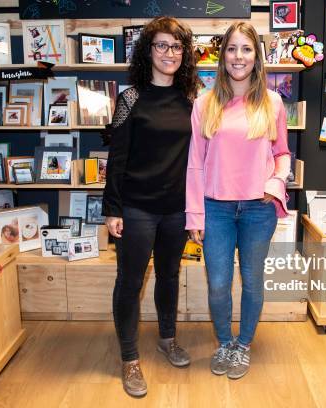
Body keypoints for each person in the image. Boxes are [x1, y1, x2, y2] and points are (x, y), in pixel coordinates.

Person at [186, 21, 291, 380]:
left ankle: (243, 345)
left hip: (258, 210)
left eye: (246, 49)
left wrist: (274, 184)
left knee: (252, 280)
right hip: (215, 209)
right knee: (217, 283)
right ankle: (224, 343)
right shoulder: (204, 103)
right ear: (222, 55)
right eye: (232, 48)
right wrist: (194, 215)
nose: (239, 56)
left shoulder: (273, 102)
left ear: (256, 56)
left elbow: (283, 154)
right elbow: (194, 164)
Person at [102, 16, 198, 397]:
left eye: (176, 47)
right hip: (137, 207)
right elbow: (117, 157)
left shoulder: (192, 99)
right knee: (130, 281)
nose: (169, 53)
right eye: (161, 45)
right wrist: (113, 209)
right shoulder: (130, 99)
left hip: (176, 208)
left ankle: (167, 339)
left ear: (183, 53)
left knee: (170, 276)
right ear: (148, 51)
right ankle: (129, 358)